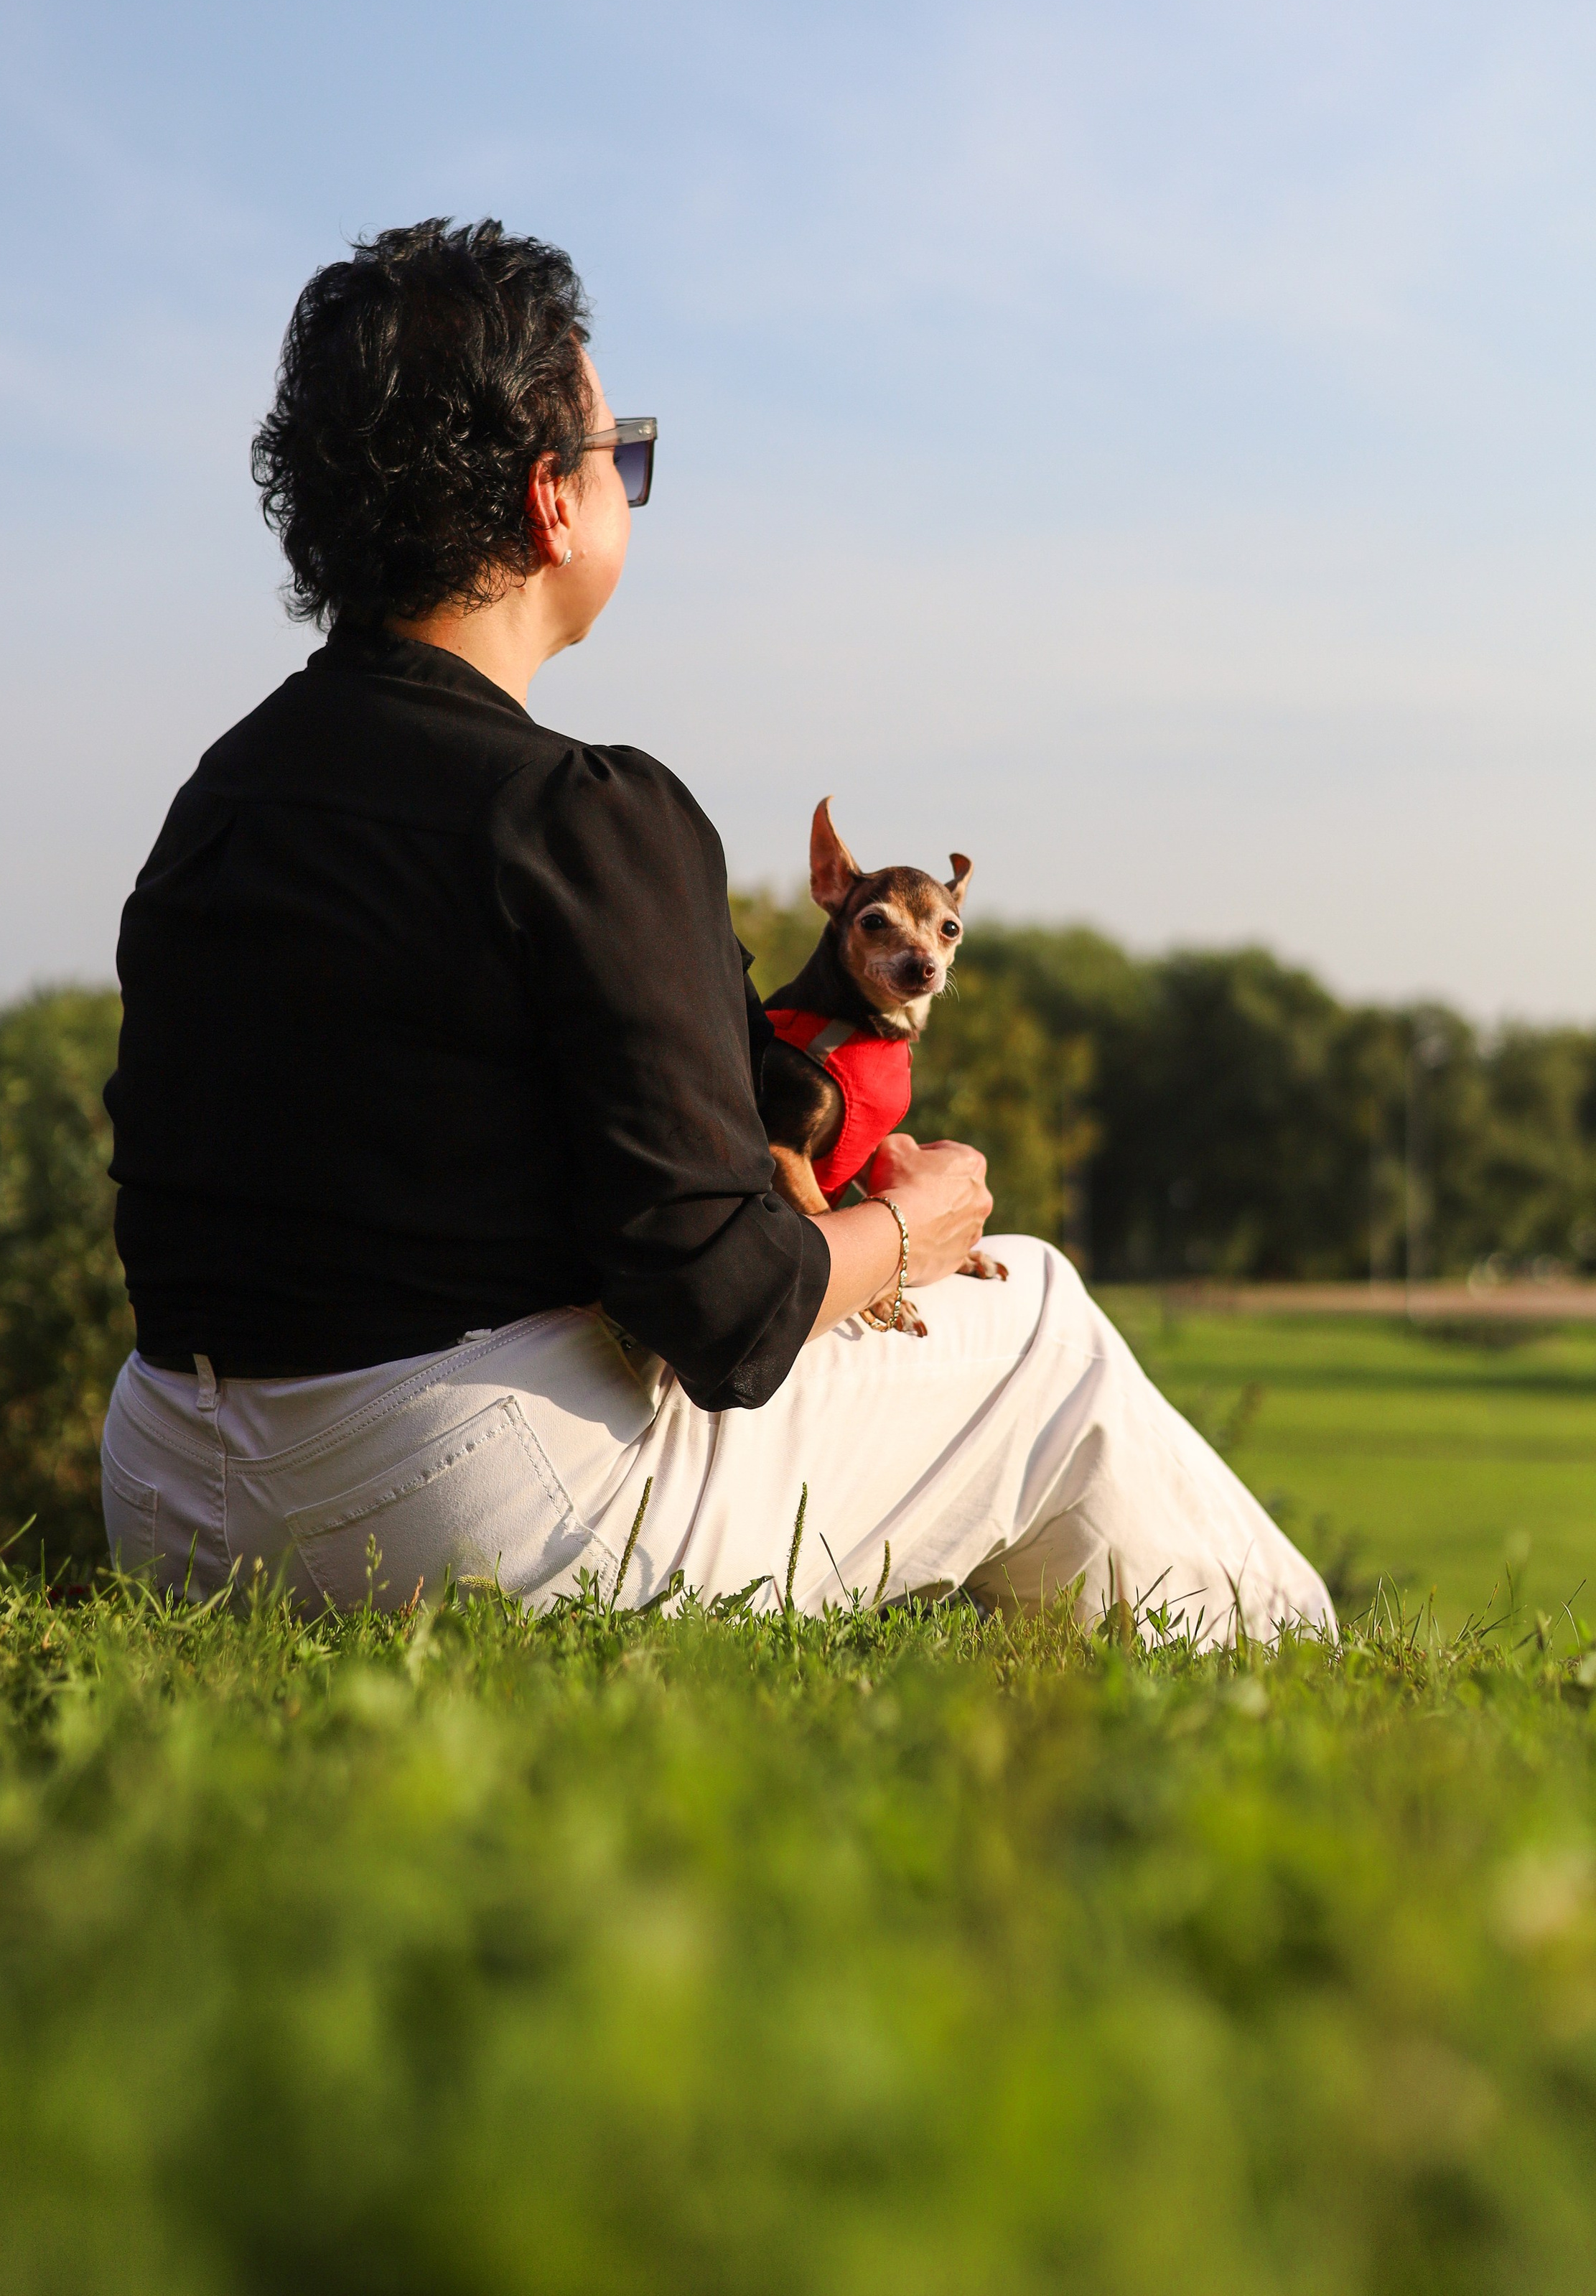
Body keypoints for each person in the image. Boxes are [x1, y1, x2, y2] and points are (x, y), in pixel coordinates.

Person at [98, 219, 1333, 1642]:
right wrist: (909, 1222)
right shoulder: (578, 815)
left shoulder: (221, 800)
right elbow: (724, 1307)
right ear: (547, 502)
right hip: (444, 1505)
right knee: (1037, 1324)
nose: (627, 481)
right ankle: (1312, 1702)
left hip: (169, 1494)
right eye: (618, 452)